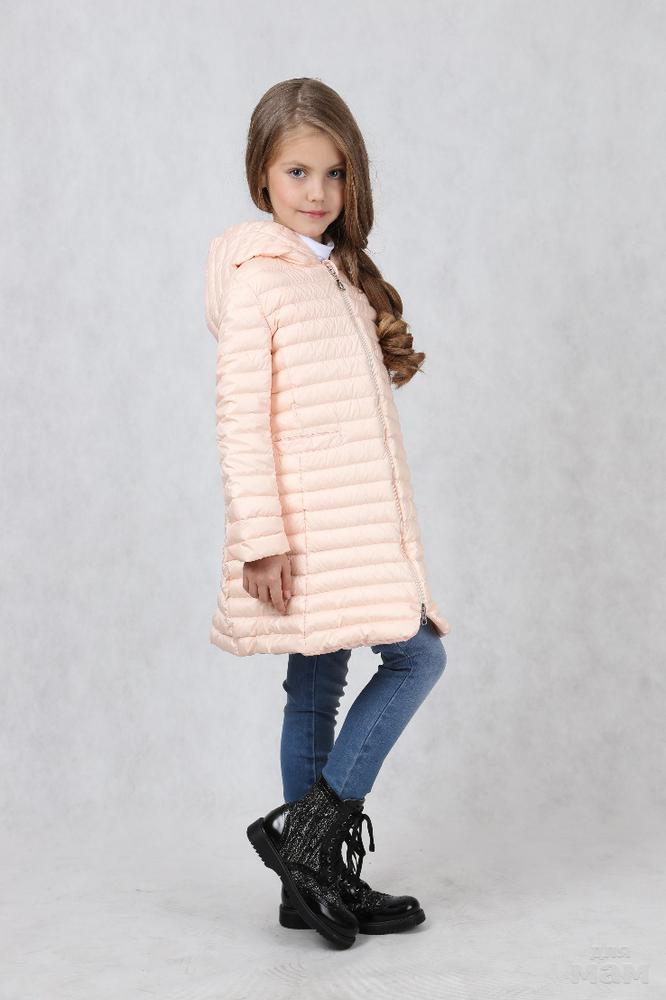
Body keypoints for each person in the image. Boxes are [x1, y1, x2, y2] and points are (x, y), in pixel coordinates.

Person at [205, 77, 452, 949]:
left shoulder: (337, 276)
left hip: (348, 528)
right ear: (261, 177)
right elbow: (241, 421)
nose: (317, 193)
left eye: (334, 174)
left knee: (316, 685)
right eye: (297, 172)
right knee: (418, 657)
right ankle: (307, 841)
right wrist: (263, 541)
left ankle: (308, 881)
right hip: (304, 534)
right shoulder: (259, 281)